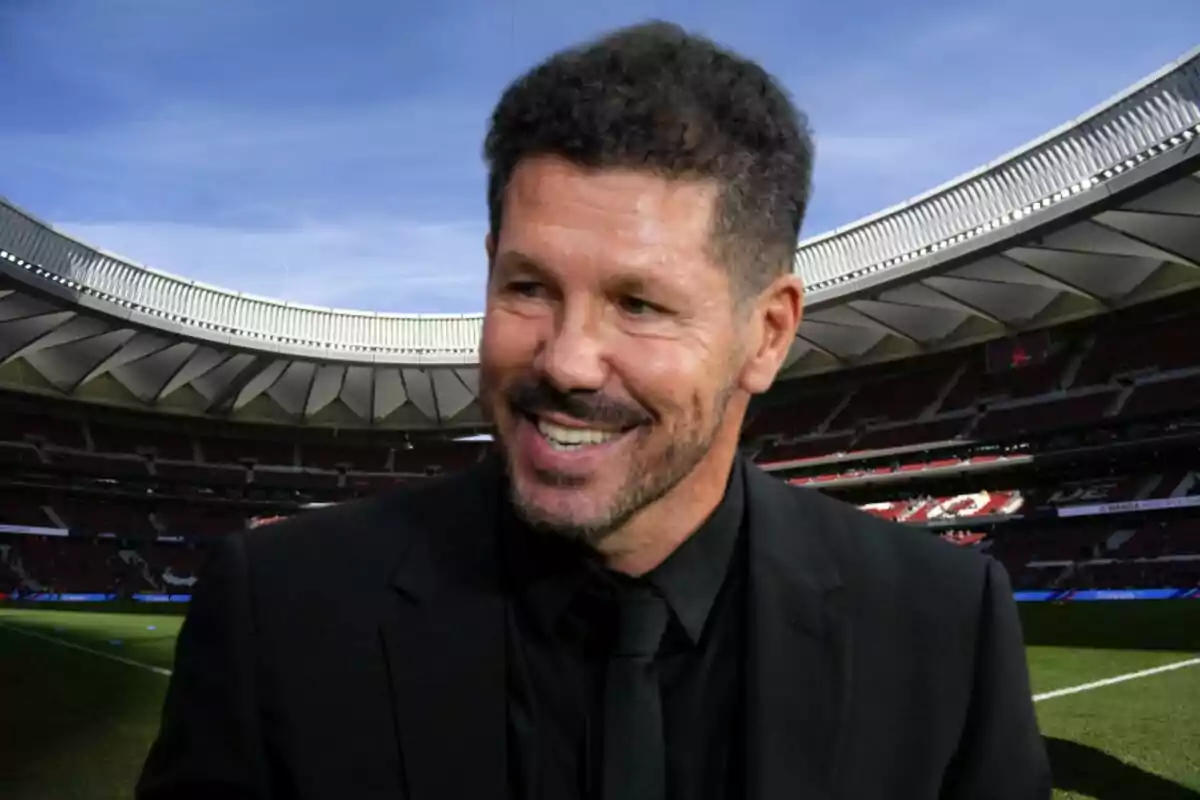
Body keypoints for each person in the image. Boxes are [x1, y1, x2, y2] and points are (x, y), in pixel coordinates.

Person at [137, 21, 1051, 800]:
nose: (567, 360)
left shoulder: (943, 623)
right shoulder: (281, 612)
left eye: (639, 304)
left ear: (767, 334)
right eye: (527, 286)